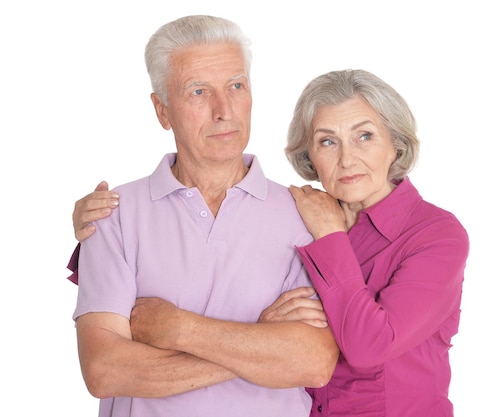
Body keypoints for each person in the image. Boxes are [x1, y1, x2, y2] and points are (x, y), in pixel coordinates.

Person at [73, 68, 469, 416]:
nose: (347, 159)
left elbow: (369, 345)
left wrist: (180, 329)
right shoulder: (300, 214)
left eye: (364, 136)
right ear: (309, 157)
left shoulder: (436, 235)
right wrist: (106, 225)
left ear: (395, 144)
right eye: (328, 141)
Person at [69, 14, 339, 417]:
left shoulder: (309, 215)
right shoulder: (111, 216)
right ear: (162, 111)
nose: (223, 110)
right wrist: (263, 343)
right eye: (198, 91)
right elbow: (104, 370)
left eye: (236, 86)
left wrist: (179, 329)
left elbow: (314, 363)